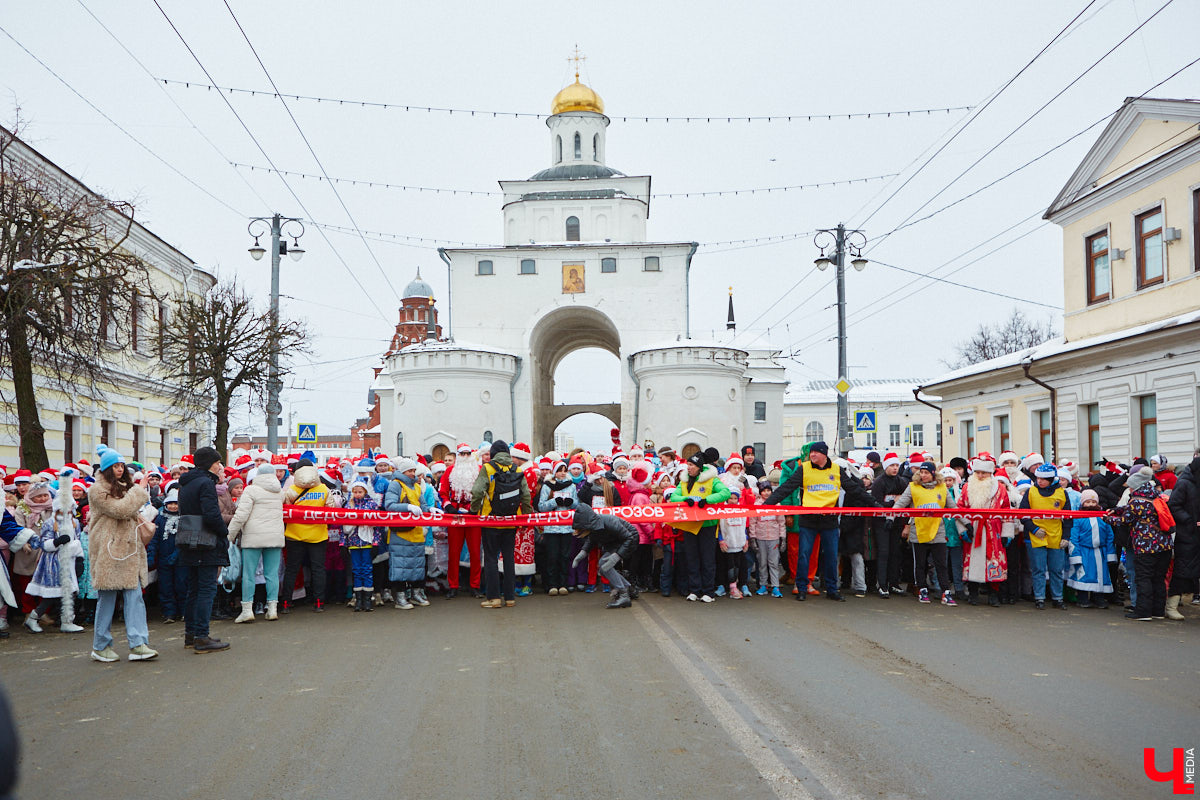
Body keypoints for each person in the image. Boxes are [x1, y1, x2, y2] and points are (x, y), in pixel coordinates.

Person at [765, 441, 876, 602]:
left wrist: (874, 503)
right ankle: (802, 588)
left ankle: (832, 589)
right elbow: (786, 488)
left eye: (815, 453)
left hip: (829, 521)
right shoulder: (804, 468)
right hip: (808, 520)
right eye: (811, 453)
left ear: (824, 454)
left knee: (831, 556)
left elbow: (854, 489)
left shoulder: (836, 470)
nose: (811, 455)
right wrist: (767, 505)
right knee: (804, 555)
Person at [86, 448, 158, 662]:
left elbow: (130, 512)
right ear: (107, 469)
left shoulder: (127, 488)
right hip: (108, 551)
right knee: (107, 598)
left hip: (128, 550)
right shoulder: (97, 490)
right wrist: (139, 490)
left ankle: (139, 644)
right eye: (115, 466)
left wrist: (136, 491)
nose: (119, 470)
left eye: (121, 466)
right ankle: (100, 646)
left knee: (134, 597)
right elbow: (120, 510)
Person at [177, 447, 231, 653]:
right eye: (217, 462)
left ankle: (191, 634)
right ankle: (201, 636)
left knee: (194, 589)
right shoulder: (206, 483)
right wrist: (223, 532)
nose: (219, 466)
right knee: (206, 589)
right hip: (205, 541)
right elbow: (211, 514)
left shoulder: (187, 483)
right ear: (209, 463)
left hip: (188, 539)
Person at [471, 441, 531, 609]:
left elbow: (477, 491)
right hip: (511, 520)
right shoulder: (517, 469)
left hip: (491, 519)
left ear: (494, 453)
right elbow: (525, 495)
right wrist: (526, 516)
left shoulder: (488, 468)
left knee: (491, 559)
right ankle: (510, 597)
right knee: (509, 558)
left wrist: (474, 510)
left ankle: (493, 598)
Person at [1109, 466, 1174, 621]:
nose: (1129, 489)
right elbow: (1133, 510)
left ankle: (1143, 612)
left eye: (1131, 486)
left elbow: (1125, 520)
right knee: (1158, 578)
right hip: (1164, 545)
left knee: (1143, 578)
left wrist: (1108, 518)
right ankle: (1158, 611)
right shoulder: (1156, 496)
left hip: (1146, 546)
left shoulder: (1137, 501)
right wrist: (1117, 510)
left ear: (1136, 486)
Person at [666, 452, 731, 602]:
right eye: (688, 464)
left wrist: (707, 500)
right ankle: (694, 589)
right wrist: (686, 499)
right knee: (692, 558)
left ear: (699, 467)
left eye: (691, 465)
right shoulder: (683, 481)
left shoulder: (711, 480)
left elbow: (725, 493)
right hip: (689, 525)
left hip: (707, 525)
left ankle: (709, 591)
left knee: (707, 559)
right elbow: (674, 497)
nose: (688, 468)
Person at [226, 463, 285, 622]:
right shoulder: (280, 492)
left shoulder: (251, 490)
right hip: (275, 537)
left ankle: (247, 610)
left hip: (253, 537)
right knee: (272, 574)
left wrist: (229, 536)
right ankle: (272, 609)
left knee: (249, 574)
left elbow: (241, 515)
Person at [892, 461, 957, 606]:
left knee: (941, 564)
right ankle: (922, 589)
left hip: (937, 530)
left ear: (933, 474)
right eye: (921, 472)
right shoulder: (912, 487)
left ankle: (945, 592)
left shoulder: (942, 488)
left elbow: (953, 508)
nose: (923, 475)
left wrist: (966, 524)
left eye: (926, 473)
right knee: (920, 564)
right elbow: (900, 504)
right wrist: (891, 517)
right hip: (919, 530)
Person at [26, 482, 85, 633]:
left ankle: (67, 621)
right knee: (53, 595)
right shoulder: (50, 523)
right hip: (54, 563)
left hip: (70, 562)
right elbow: (44, 544)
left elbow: (78, 540)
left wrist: (79, 559)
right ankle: (33, 618)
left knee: (69, 593)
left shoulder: (75, 523)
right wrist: (57, 542)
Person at [280, 460, 337, 613]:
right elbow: (330, 511)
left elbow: (284, 510)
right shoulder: (324, 489)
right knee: (318, 569)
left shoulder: (292, 490)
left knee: (291, 569)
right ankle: (319, 602)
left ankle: (285, 603)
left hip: (294, 535)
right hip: (318, 535)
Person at [957, 457, 1009, 607]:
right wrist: (963, 529)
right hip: (973, 528)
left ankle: (994, 595)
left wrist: (1007, 533)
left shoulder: (1000, 488)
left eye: (984, 473)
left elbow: (1006, 511)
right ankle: (973, 593)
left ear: (990, 473)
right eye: (977, 472)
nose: (980, 476)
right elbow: (960, 510)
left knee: (994, 561)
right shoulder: (967, 487)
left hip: (994, 530)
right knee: (973, 562)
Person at [1019, 463, 1070, 610]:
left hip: (1056, 535)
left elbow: (1068, 517)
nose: (1040, 481)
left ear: (1051, 479)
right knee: (1038, 569)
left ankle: (1057, 598)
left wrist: (1066, 536)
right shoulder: (1030, 492)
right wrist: (1033, 529)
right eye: (1038, 478)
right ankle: (1039, 597)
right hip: (1036, 536)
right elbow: (1023, 515)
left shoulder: (1062, 493)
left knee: (1056, 569)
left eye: (1043, 479)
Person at [383, 457, 432, 609]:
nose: (413, 473)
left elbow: (423, 505)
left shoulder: (417, 487)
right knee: (400, 566)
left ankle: (416, 593)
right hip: (400, 533)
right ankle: (400, 596)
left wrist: (430, 510)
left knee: (417, 565)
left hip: (416, 532)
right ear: (403, 471)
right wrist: (408, 507)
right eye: (410, 471)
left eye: (414, 470)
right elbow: (389, 505)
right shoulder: (395, 485)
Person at [570, 505, 639, 609]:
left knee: (604, 565)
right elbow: (591, 541)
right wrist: (582, 554)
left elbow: (629, 537)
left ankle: (624, 595)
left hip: (629, 540)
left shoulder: (609, 521)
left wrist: (617, 556)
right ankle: (628, 589)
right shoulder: (593, 526)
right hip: (615, 543)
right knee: (603, 568)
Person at [441, 443, 483, 599]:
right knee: (454, 552)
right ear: (458, 455)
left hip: (473, 516)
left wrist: (476, 507)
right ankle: (453, 585)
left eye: (467, 454)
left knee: (475, 552)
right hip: (455, 515)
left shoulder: (478, 471)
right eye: (462, 454)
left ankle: (475, 585)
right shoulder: (450, 471)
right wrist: (449, 507)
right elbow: (443, 492)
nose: (465, 457)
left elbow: (484, 492)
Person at [1065, 489, 1115, 608]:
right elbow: (1074, 537)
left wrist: (1110, 554)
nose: (1091, 505)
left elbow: (1109, 536)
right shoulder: (1078, 518)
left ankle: (1099, 598)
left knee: (1100, 576)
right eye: (1087, 502)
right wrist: (1075, 555)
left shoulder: (1103, 518)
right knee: (1084, 574)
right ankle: (1082, 598)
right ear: (1082, 503)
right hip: (1084, 551)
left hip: (1100, 552)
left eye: (1093, 502)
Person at [340, 478, 383, 611]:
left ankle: (368, 599)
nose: (358, 494)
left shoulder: (371, 505)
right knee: (356, 570)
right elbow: (344, 528)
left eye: (360, 491)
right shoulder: (348, 505)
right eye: (355, 492)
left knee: (367, 570)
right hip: (353, 542)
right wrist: (342, 544)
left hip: (367, 542)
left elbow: (377, 527)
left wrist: (376, 543)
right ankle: (358, 599)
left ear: (365, 491)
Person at [537, 461, 578, 596]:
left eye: (564, 470)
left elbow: (577, 505)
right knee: (552, 557)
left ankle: (563, 584)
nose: (562, 473)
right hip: (551, 528)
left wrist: (571, 503)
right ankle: (552, 584)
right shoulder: (548, 486)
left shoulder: (571, 486)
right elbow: (541, 506)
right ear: (554, 472)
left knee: (565, 556)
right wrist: (555, 502)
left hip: (566, 527)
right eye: (559, 470)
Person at [1166, 455, 1200, 616]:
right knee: (1182, 570)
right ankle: (1171, 607)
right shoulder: (1184, 483)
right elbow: (1174, 505)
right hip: (1187, 535)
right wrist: (1191, 521)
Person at [871, 452, 908, 598]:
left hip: (897, 522)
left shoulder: (901, 482)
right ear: (886, 466)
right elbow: (877, 503)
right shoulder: (879, 482)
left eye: (897, 465)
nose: (895, 468)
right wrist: (893, 503)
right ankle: (882, 584)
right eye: (892, 465)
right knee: (883, 552)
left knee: (895, 552)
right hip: (881, 522)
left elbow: (905, 502)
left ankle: (894, 583)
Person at [151, 489, 187, 623]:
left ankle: (184, 611)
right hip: (163, 558)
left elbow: (185, 539)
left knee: (182, 585)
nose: (173, 506)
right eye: (170, 504)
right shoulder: (160, 518)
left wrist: (177, 553)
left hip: (181, 558)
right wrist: (152, 555)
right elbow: (155, 538)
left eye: (176, 504)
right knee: (166, 587)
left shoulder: (184, 519)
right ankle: (169, 613)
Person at [749, 482, 785, 597]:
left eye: (768, 490)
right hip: (761, 537)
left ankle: (775, 586)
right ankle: (763, 585)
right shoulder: (756, 505)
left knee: (773, 563)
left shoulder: (777, 504)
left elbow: (781, 522)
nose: (766, 493)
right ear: (760, 492)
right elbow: (753, 522)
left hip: (774, 538)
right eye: (764, 491)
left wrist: (782, 538)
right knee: (762, 563)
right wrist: (753, 538)